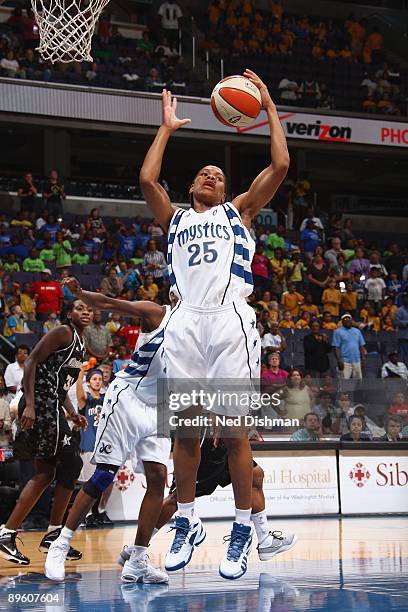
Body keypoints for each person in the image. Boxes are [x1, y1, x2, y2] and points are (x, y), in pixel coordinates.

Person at [139, 74, 289, 580]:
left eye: (218, 175)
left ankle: (245, 527)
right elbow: (146, 181)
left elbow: (281, 164)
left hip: (229, 321)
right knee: (186, 434)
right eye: (204, 173)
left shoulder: (239, 211)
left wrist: (268, 105)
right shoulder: (176, 218)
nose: (211, 176)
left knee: (232, 433)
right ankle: (186, 519)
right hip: (183, 325)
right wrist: (165, 129)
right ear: (189, 186)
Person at [45, 279, 174, 583]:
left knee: (158, 481)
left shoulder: (200, 329)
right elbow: (109, 303)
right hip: (129, 397)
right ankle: (60, 545)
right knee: (104, 473)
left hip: (162, 405)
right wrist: (79, 294)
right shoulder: (156, 312)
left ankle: (138, 559)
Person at [0, 300, 92, 565]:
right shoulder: (63, 332)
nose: (85, 311)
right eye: (79, 308)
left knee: (47, 472)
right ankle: (47, 533)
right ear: (68, 314)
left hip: (52, 404)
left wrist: (73, 413)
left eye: (88, 308)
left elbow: (60, 386)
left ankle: (18, 532)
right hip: (40, 404)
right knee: (70, 463)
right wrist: (29, 404)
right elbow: (31, 362)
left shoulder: (80, 345)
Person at [119, 436, 297, 568]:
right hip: (209, 438)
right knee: (177, 498)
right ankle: (138, 547)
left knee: (256, 475)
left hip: (227, 439)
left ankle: (265, 539)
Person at [76, 366, 111, 527]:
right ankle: (88, 514)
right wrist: (81, 373)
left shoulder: (106, 397)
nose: (97, 381)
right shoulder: (86, 399)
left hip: (105, 444)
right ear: (89, 382)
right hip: (89, 443)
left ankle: (101, 511)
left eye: (99, 379)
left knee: (109, 480)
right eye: (94, 379)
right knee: (89, 482)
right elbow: (80, 396)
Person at [332, 313, 367, 380]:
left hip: (357, 360)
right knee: (344, 381)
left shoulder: (357, 331)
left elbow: (361, 346)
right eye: (345, 319)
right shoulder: (338, 332)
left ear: (351, 321)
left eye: (349, 319)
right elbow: (336, 347)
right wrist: (339, 360)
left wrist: (363, 359)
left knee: (358, 380)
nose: (347, 321)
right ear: (342, 321)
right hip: (345, 361)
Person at [393, 293, 408, 364]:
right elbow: (395, 322)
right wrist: (406, 323)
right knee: (404, 355)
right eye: (405, 298)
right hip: (403, 336)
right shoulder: (399, 310)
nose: (406, 299)